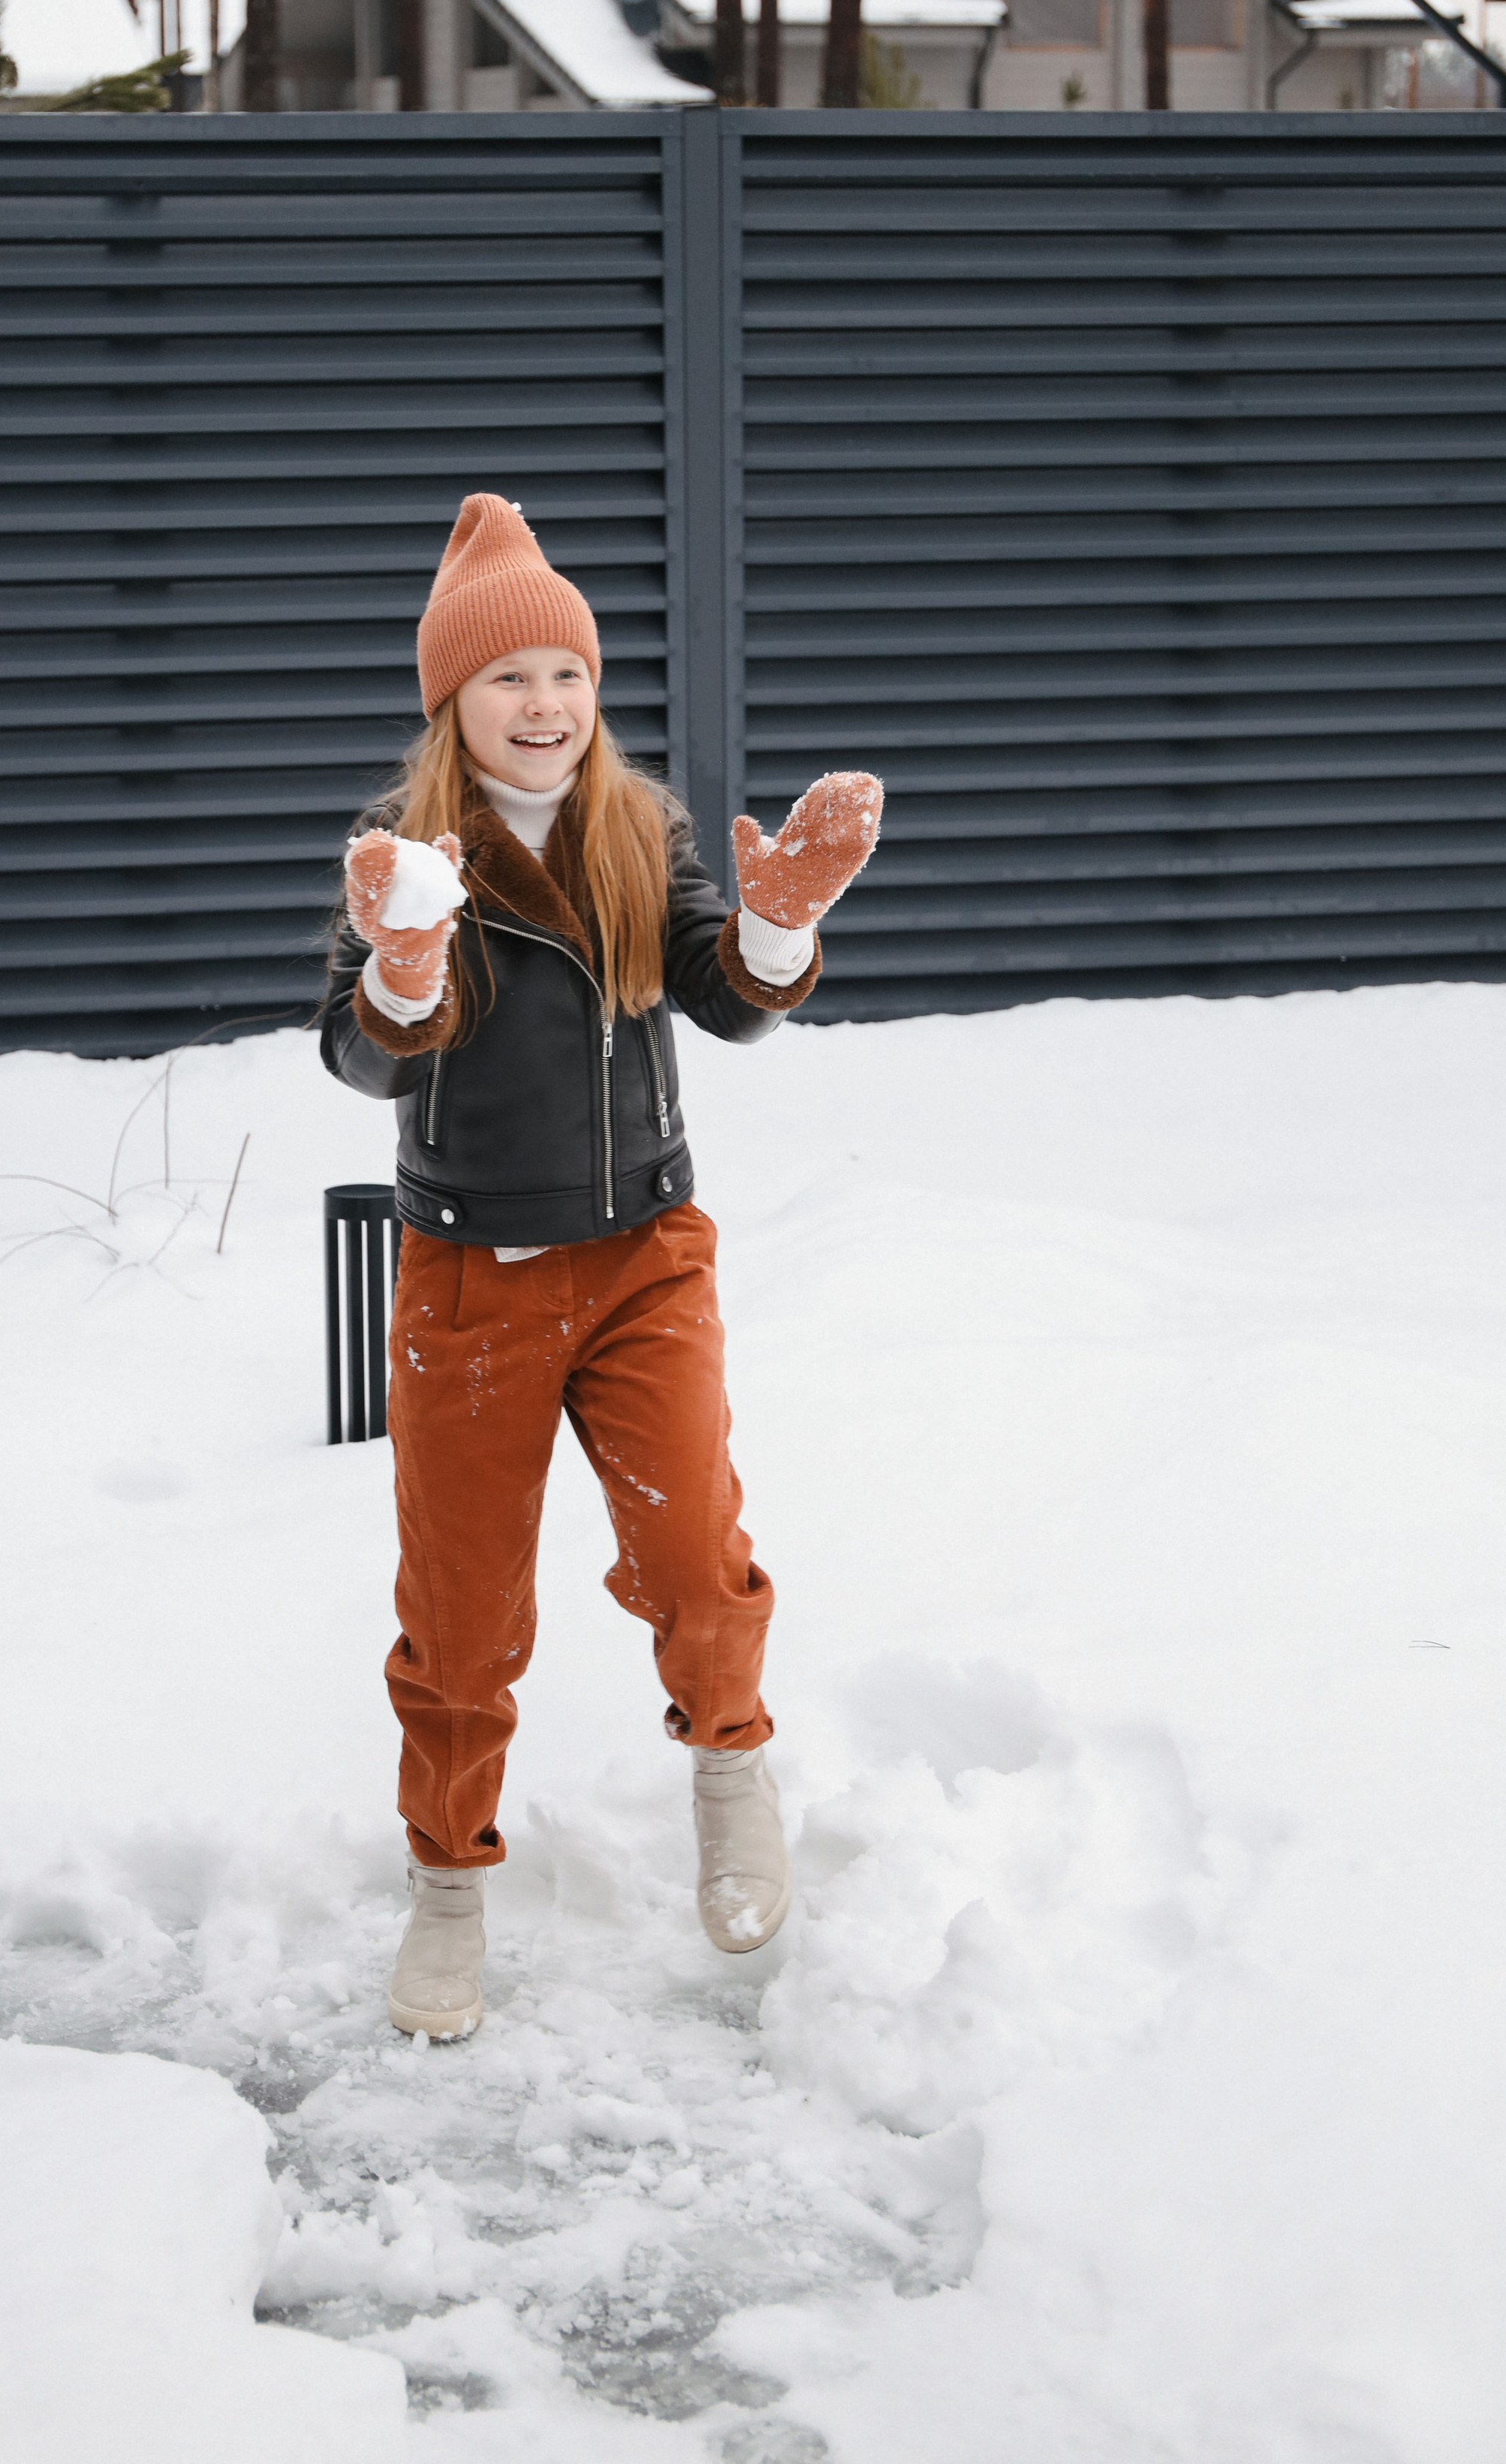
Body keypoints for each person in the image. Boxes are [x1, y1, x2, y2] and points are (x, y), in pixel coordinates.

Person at [321, 493, 882, 2040]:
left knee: (694, 1549)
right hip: (468, 1278)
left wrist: (774, 928)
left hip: (641, 1255)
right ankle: (445, 1887)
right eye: (509, 680)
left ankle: (728, 1768)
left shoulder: (643, 832)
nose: (546, 708)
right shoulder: (404, 863)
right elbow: (354, 1060)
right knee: (459, 1615)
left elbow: (720, 992)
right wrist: (402, 966)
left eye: (566, 676)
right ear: (454, 701)